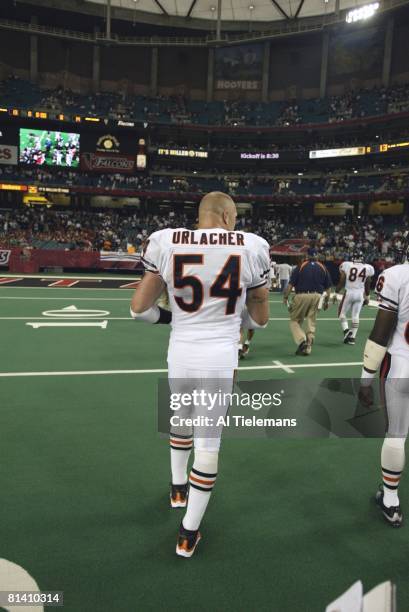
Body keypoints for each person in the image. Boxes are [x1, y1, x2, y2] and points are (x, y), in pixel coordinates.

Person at [130, 191, 270, 557]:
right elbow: (259, 316)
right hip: (220, 355)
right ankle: (188, 532)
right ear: (226, 215)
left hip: (181, 350)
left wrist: (172, 318)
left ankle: (178, 488)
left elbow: (138, 310)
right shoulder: (251, 246)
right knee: (209, 443)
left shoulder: (166, 240)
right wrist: (239, 321)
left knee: (180, 417)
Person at [359, 231, 409, 528]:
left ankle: (390, 500)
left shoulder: (396, 275)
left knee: (397, 434)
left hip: (403, 365)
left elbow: (381, 333)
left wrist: (365, 378)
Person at [283, 250, 332, 356]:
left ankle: (302, 341)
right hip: (317, 296)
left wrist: (285, 297)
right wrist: (327, 301)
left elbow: (290, 285)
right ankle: (308, 347)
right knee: (311, 321)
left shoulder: (301, 266)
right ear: (317, 257)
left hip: (302, 295)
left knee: (294, 321)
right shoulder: (322, 267)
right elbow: (328, 288)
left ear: (306, 256)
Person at [336, 251, 374, 345]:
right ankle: (352, 338)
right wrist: (367, 296)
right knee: (355, 315)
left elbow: (342, 278)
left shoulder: (346, 264)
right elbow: (368, 281)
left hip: (349, 292)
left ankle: (346, 331)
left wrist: (336, 291)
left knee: (342, 314)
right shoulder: (368, 267)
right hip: (360, 294)